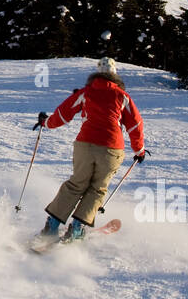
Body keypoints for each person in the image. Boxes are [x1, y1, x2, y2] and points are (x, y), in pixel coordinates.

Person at [33, 57, 145, 243]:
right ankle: (77, 229)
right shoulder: (122, 96)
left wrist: (46, 122)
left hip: (84, 146)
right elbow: (135, 125)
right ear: (115, 75)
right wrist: (139, 150)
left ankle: (51, 227)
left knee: (76, 184)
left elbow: (63, 113)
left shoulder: (86, 93)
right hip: (111, 149)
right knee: (97, 188)